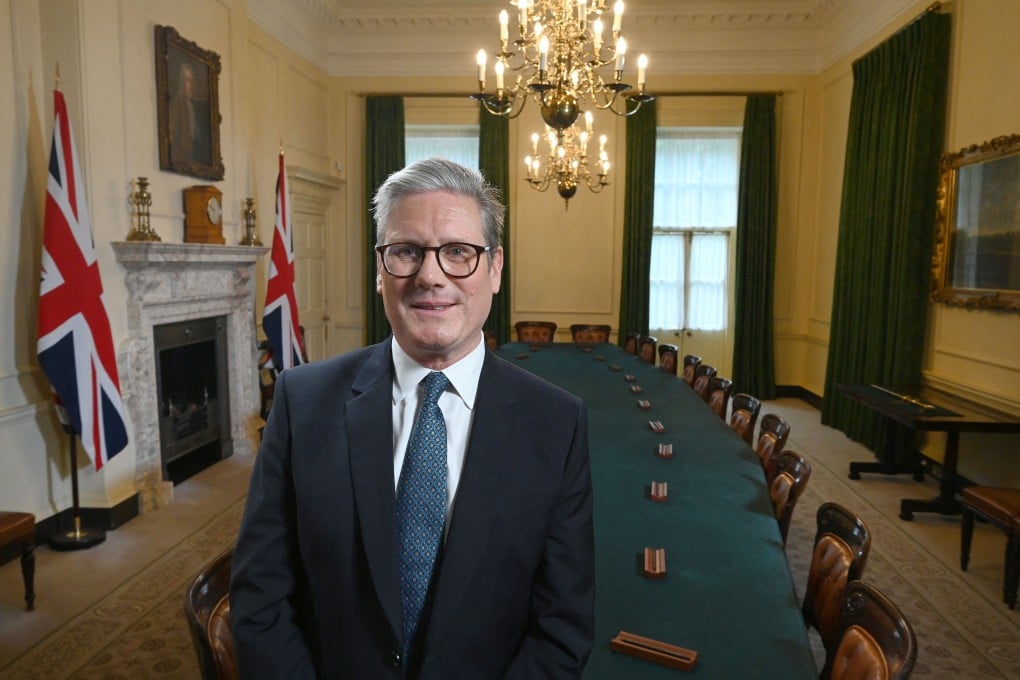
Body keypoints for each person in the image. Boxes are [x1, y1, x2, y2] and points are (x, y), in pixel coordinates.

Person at [230, 157, 595, 678]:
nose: (430, 275)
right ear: (381, 272)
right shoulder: (302, 401)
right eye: (406, 251)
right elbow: (260, 599)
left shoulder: (557, 425)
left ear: (494, 269)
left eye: (458, 253)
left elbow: (563, 629)